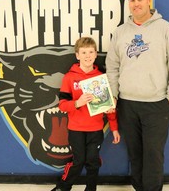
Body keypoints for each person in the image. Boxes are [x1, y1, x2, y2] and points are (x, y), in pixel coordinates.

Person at [105, 0, 169, 191]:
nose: (136, 4)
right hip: (127, 104)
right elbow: (112, 67)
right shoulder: (121, 32)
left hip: (157, 104)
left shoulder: (165, 29)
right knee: (135, 153)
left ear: (148, 0)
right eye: (132, 0)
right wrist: (113, 95)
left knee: (153, 154)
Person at [51, 37, 120, 191]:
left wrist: (114, 127)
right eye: (84, 52)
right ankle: (63, 187)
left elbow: (109, 107)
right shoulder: (69, 77)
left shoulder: (101, 78)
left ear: (96, 54)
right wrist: (77, 103)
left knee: (92, 161)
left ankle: (91, 189)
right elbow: (62, 105)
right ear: (77, 55)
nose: (87, 55)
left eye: (91, 52)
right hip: (76, 129)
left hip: (95, 129)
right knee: (78, 161)